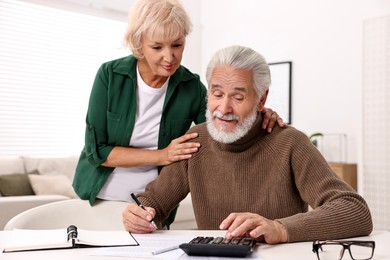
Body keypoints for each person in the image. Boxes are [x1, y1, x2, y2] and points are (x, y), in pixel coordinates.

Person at [122, 45, 373, 244]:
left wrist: (280, 228)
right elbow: (154, 202)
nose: (224, 108)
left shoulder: (290, 143)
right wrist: (141, 214)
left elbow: (354, 210)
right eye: (217, 94)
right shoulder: (196, 141)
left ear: (261, 99)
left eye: (238, 97)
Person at [72, 0, 283, 226]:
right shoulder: (110, 76)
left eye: (177, 45)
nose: (169, 57)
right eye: (157, 47)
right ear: (138, 43)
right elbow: (97, 152)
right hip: (99, 198)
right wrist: (163, 155)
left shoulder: (190, 86)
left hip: (152, 207)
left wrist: (259, 113)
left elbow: (223, 123)